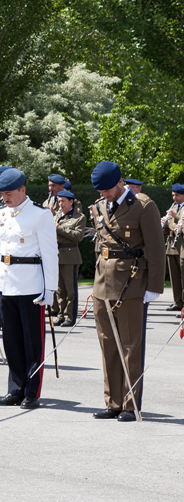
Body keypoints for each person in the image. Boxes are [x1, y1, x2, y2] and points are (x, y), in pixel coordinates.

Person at [88, 161, 166, 421]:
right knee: (107, 343)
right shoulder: (99, 207)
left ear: (120, 182)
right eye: (101, 191)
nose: (104, 194)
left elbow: (156, 248)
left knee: (131, 345)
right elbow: (101, 246)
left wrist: (154, 287)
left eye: (108, 189)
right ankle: (112, 402)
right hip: (103, 283)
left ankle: (130, 404)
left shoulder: (143, 206)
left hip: (132, 284)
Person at [0, 168, 57, 410]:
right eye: (2, 194)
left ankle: (32, 392)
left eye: (9, 193)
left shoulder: (40, 215)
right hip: (7, 284)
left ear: (22, 190)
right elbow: (0, 252)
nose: (5, 198)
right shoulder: (1, 215)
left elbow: (50, 254)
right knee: (12, 342)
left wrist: (50, 289)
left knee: (32, 343)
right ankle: (15, 389)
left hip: (31, 286)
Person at [52, 190, 87, 327]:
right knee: (60, 290)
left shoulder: (79, 217)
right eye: (59, 201)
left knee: (70, 290)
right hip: (57, 255)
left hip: (70, 256)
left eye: (63, 201)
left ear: (71, 201)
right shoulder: (57, 216)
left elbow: (78, 236)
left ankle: (70, 317)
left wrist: (59, 228)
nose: (60, 204)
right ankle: (61, 315)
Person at [161, 184, 184, 312]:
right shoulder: (174, 207)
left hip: (182, 245)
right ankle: (178, 302)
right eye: (173, 195)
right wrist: (164, 223)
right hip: (172, 245)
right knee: (174, 275)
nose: (174, 198)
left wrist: (175, 217)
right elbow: (169, 227)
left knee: (183, 275)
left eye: (177, 195)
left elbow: (178, 223)